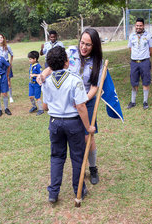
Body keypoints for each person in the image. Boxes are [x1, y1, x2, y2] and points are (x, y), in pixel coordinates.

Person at [39, 28, 104, 185]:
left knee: (88, 136)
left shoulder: (98, 62)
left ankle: (93, 168)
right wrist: (43, 75)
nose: (83, 47)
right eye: (82, 42)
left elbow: (95, 86)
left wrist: (83, 100)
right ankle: (78, 167)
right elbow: (53, 66)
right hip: (67, 102)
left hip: (85, 102)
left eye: (88, 45)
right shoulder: (71, 51)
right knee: (74, 137)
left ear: (94, 45)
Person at [42, 46, 95, 203]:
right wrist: (88, 127)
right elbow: (80, 106)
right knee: (77, 157)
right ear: (66, 62)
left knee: (57, 157)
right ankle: (78, 188)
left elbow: (44, 107)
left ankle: (53, 193)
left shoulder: (47, 80)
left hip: (55, 122)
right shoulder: (74, 79)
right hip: (73, 123)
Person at [127, 18, 152, 110]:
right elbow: (130, 48)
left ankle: (145, 102)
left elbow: (151, 50)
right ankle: (133, 101)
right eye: (137, 25)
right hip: (134, 63)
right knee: (134, 82)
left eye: (140, 25)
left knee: (146, 81)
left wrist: (144, 57)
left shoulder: (148, 36)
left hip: (145, 62)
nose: (138, 27)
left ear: (143, 26)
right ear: (135, 26)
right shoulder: (131, 36)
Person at [28, 51, 44, 116]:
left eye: (30, 59)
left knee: (37, 97)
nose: (29, 60)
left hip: (36, 84)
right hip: (31, 83)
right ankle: (34, 106)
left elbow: (41, 74)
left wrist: (34, 75)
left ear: (35, 59)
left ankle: (41, 109)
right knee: (31, 96)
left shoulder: (38, 66)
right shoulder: (31, 65)